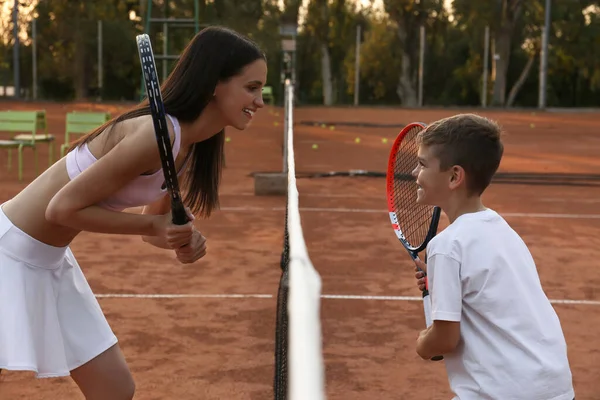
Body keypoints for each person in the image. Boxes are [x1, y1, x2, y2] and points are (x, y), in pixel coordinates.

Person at [0, 26, 267, 399]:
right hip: (8, 253)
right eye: (251, 88)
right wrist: (156, 225)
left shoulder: (187, 146)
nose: (260, 100)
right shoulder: (155, 135)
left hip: (51, 262)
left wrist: (179, 240)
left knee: (115, 389)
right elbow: (61, 209)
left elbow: (150, 229)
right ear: (214, 85)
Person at [411, 114, 575, 400]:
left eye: (423, 164)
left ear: (454, 176)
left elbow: (444, 341)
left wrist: (423, 344)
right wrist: (438, 285)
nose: (415, 172)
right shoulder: (501, 228)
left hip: (505, 392)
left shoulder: (446, 246)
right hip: (555, 386)